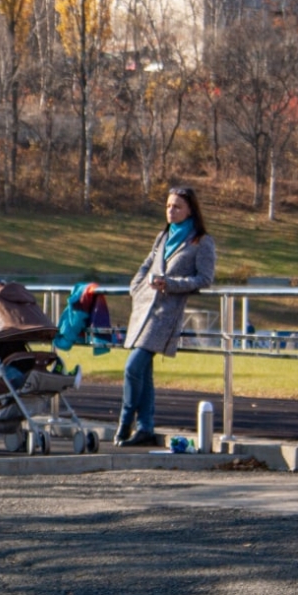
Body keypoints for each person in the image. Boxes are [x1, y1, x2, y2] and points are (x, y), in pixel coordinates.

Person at [118, 185, 216, 446]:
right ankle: (145, 427)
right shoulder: (163, 237)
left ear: (190, 210)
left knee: (133, 367)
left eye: (177, 207)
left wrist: (170, 283)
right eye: (168, 206)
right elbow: (146, 264)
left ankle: (125, 422)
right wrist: (136, 288)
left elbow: (204, 279)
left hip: (166, 314)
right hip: (144, 309)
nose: (171, 211)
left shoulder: (201, 242)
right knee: (144, 373)